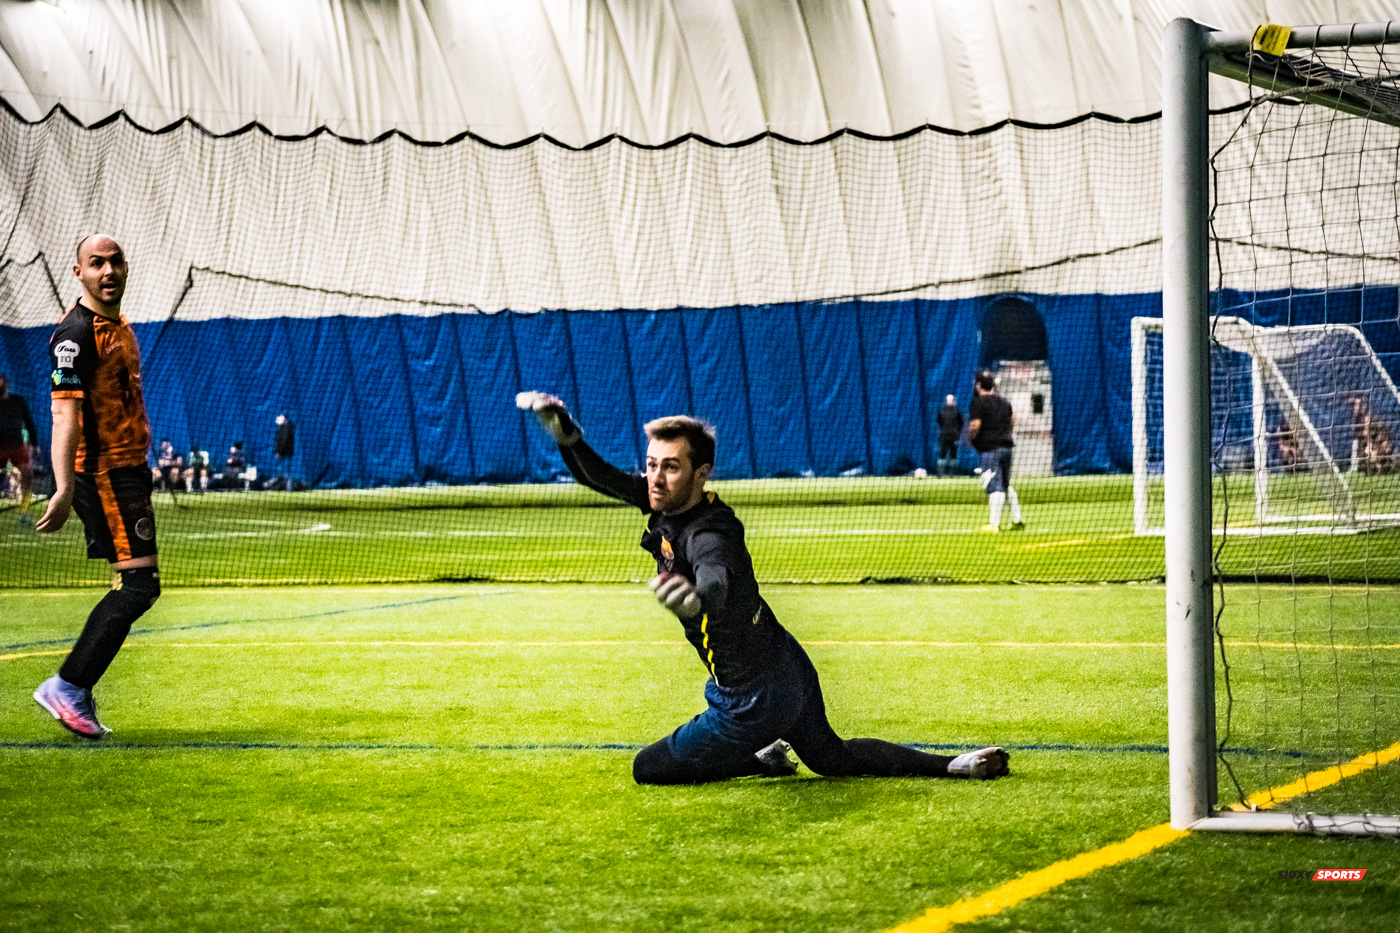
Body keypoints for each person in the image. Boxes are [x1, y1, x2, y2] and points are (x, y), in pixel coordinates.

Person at [519, 391, 1010, 786]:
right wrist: (569, 438)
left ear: (702, 473)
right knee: (832, 758)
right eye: (651, 464)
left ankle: (760, 758)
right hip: (786, 663)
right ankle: (952, 765)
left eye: (670, 466)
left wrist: (695, 602)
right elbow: (602, 478)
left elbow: (717, 577)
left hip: (749, 698)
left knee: (648, 768)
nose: (655, 478)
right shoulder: (663, 500)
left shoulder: (709, 529)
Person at [33, 234, 161, 739]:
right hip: (104, 473)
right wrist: (63, 487)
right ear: (78, 272)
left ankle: (71, 686)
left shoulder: (118, 325)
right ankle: (67, 686)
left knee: (138, 586)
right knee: (138, 585)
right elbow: (64, 413)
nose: (108, 271)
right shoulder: (75, 334)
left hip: (127, 469)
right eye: (96, 264)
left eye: (115, 261)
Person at [968, 370, 1024, 532]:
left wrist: (972, 438)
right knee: (1005, 485)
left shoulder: (978, 403)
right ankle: (1017, 519)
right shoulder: (1004, 402)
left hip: (990, 448)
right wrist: (1005, 434)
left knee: (994, 485)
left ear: (978, 385)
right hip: (1007, 447)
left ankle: (994, 524)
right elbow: (1012, 419)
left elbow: (975, 425)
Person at [0, 372, 40, 524]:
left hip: (16, 446)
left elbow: (29, 423)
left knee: (27, 474)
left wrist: (35, 445)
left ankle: (25, 511)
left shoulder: (18, 401)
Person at [935, 394, 963, 476]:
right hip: (944, 436)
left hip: (954, 437)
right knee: (942, 454)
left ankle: (953, 473)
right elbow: (939, 422)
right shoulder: (941, 411)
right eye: (948, 400)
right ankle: (940, 473)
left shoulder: (957, 411)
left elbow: (961, 423)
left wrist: (957, 433)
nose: (950, 401)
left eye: (951, 400)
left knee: (953, 455)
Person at [273, 413, 295, 489]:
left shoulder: (287, 428)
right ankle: (283, 487)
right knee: (283, 471)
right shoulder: (282, 428)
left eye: (280, 416)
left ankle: (288, 488)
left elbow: (284, 442)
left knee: (286, 472)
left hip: (285, 454)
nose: (278, 418)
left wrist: (280, 452)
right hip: (284, 454)